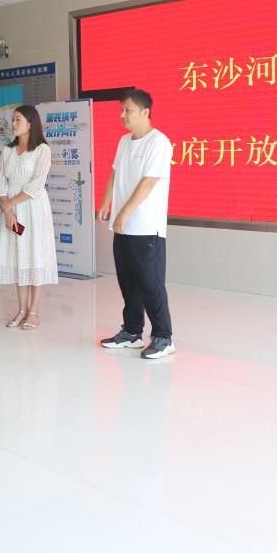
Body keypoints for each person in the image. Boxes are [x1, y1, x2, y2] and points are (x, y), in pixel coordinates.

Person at [98, 88, 176, 359]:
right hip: (123, 226)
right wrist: (107, 202)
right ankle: (132, 332)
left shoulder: (159, 142)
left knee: (150, 283)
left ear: (145, 112)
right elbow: (114, 173)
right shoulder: (124, 141)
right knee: (128, 281)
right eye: (121, 110)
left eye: (128, 110)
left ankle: (164, 337)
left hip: (145, 226)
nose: (123, 115)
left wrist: (124, 212)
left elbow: (149, 182)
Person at [0, 105, 57, 329]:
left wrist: (10, 204)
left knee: (35, 257)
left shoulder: (42, 150)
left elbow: (36, 185)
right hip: (12, 213)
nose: (13, 124)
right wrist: (8, 211)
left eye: (18, 120)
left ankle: (34, 312)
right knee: (19, 259)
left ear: (31, 123)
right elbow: (1, 183)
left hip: (33, 210)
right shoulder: (7, 150)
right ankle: (22, 310)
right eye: (12, 120)